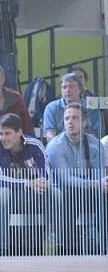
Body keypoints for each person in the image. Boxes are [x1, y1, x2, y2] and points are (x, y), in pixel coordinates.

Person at [0, 113, 63, 256]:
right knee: (3, 193)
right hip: (11, 196)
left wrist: (41, 183)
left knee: (55, 193)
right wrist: (27, 183)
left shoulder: (35, 144)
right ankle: (1, 248)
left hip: (35, 194)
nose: (3, 138)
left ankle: (55, 244)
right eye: (1, 134)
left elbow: (48, 175)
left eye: (8, 133)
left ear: (19, 132)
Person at [46, 103, 107, 254]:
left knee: (104, 195)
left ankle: (104, 246)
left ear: (85, 122)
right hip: (64, 191)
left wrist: (100, 184)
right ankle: (67, 248)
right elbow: (65, 179)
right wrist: (96, 183)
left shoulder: (95, 144)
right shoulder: (55, 145)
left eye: (75, 118)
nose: (70, 122)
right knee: (70, 196)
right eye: (67, 118)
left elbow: (99, 174)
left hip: (89, 190)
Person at [43, 72, 103, 143]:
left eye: (71, 86)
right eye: (64, 87)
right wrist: (60, 146)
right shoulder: (51, 107)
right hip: (60, 146)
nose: (67, 90)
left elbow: (96, 134)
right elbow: (49, 133)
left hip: (86, 146)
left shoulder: (91, 107)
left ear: (80, 89)